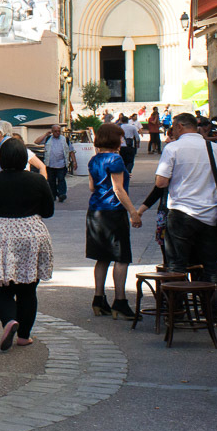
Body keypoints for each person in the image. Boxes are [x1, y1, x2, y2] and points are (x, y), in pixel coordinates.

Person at [155, 111, 217, 323]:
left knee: (177, 265)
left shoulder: (173, 148)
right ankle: (214, 312)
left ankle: (177, 312)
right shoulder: (215, 149)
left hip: (181, 213)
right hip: (210, 214)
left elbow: (161, 182)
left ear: (180, 126)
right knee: (210, 265)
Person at [0, 138, 55, 350]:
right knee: (28, 288)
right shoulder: (38, 180)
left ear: (0, 159)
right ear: (24, 158)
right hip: (32, 233)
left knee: (0, 285)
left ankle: (9, 319)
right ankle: (24, 335)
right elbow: (48, 211)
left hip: (2, 233)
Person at [85, 121, 143, 320]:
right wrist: (133, 212)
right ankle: (120, 301)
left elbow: (92, 187)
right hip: (113, 211)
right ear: (114, 139)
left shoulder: (94, 159)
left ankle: (99, 299)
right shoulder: (115, 160)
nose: (122, 140)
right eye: (120, 137)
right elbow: (119, 190)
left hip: (95, 210)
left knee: (102, 257)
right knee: (121, 257)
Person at [36, 125, 73, 204]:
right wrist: (46, 134)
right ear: (52, 132)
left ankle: (62, 194)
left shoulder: (65, 139)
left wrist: (74, 161)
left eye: (59, 131)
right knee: (51, 181)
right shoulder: (48, 139)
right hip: (50, 164)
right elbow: (37, 142)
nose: (57, 133)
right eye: (55, 131)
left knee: (61, 179)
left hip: (61, 164)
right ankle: (53, 195)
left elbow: (71, 150)